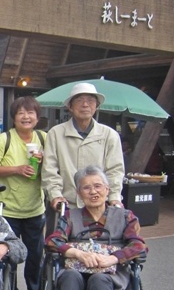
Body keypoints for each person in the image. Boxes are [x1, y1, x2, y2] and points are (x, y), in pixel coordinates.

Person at [45, 166, 146, 290]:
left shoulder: (125, 216)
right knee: (70, 276)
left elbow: (138, 245)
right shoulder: (70, 216)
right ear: (79, 193)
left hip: (111, 278)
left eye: (98, 186)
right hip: (77, 276)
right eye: (86, 188)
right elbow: (53, 241)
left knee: (99, 280)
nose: (93, 192)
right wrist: (78, 253)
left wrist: (113, 258)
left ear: (107, 189)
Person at [42, 82, 124, 231]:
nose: (85, 104)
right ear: (70, 106)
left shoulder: (109, 135)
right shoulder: (56, 133)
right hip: (66, 205)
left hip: (99, 206)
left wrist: (114, 197)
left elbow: (115, 171)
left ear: (96, 106)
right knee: (58, 243)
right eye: (79, 100)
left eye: (90, 101)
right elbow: (50, 170)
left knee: (100, 243)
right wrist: (55, 195)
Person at [0, 96, 46, 290]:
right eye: (20, 113)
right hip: (8, 208)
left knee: (35, 254)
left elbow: (55, 166)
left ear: (37, 117)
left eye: (30, 112)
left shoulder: (44, 138)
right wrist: (17, 169)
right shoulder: (4, 139)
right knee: (10, 255)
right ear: (14, 117)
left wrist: (44, 160)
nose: (26, 117)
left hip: (35, 207)